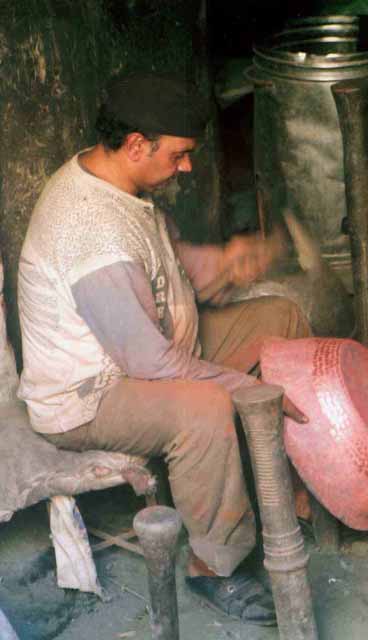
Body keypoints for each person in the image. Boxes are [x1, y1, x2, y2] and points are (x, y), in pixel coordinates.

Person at [18, 73, 311, 626]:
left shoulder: (120, 179)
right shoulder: (91, 234)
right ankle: (213, 566)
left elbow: (165, 266)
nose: (187, 167)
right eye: (179, 156)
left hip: (150, 345)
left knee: (282, 318)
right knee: (205, 410)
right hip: (91, 394)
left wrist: (224, 261)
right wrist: (248, 387)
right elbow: (148, 363)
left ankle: (290, 488)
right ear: (136, 145)